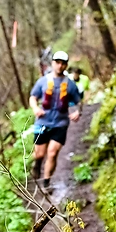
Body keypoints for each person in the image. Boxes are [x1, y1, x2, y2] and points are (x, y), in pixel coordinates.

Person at [29, 51, 81, 189]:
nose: (60, 66)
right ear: (52, 63)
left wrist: (77, 112)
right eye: (57, 62)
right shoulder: (42, 81)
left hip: (60, 123)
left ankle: (46, 183)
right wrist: (35, 109)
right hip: (42, 122)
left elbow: (78, 101)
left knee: (52, 153)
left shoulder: (70, 84)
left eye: (63, 63)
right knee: (39, 154)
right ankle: (37, 163)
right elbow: (33, 97)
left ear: (66, 66)